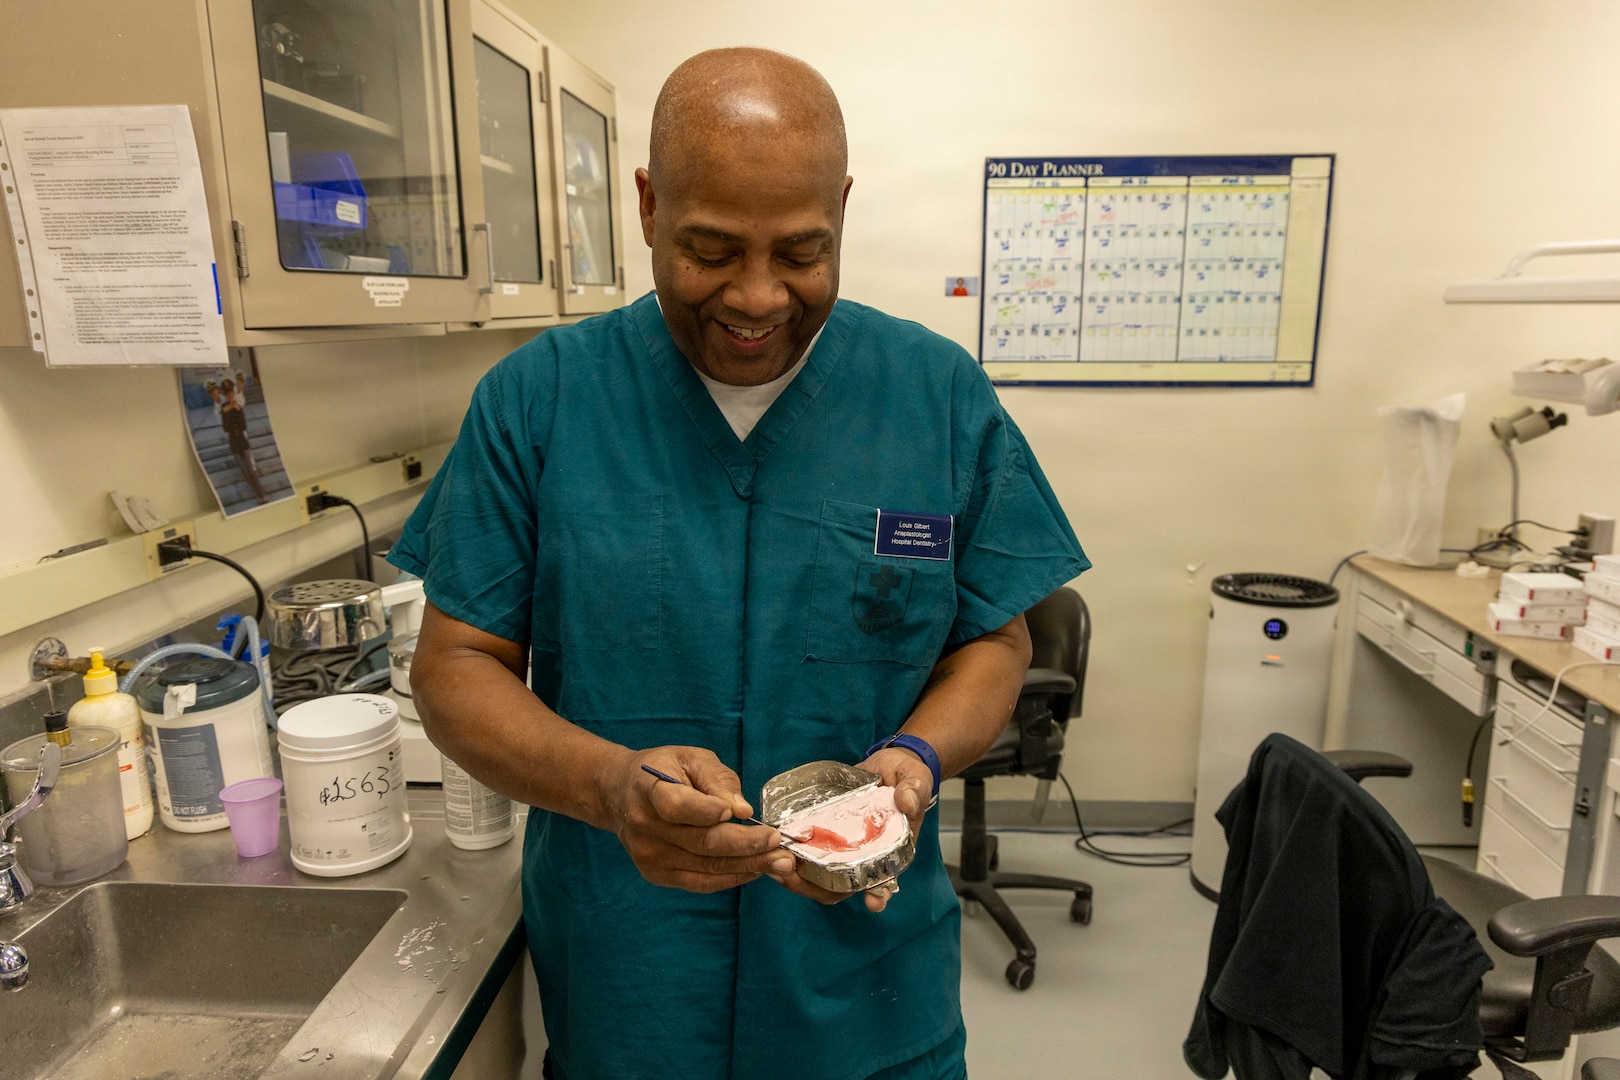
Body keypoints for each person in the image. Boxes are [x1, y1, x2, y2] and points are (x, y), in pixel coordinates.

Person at [390, 47, 1088, 1080]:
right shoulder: (537, 403)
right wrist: (610, 788)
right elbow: (453, 670)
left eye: (801, 251)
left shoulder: (934, 395)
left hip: (869, 994)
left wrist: (920, 757)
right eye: (711, 249)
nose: (757, 297)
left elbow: (995, 637)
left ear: (842, 210)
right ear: (645, 205)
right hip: (632, 984)